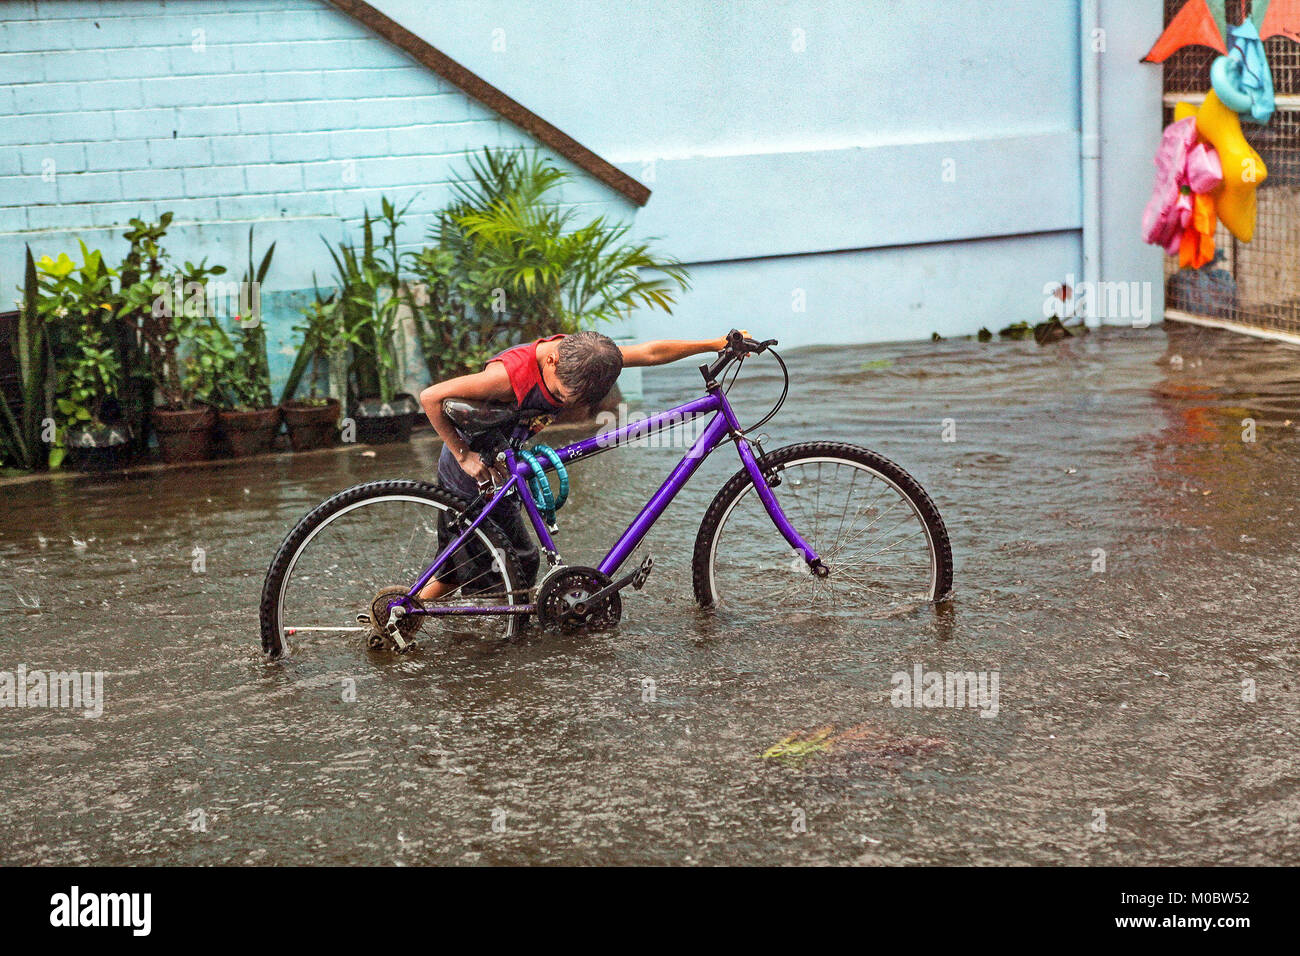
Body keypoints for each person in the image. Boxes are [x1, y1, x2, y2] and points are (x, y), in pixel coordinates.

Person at [417, 330, 735, 600]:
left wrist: (713, 344)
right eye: (559, 395)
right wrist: (463, 456)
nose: (562, 403)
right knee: (486, 565)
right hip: (471, 467)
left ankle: (424, 615)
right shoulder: (508, 375)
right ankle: (416, 618)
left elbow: (650, 352)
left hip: (504, 460)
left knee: (508, 561)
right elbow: (431, 397)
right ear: (552, 360)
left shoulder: (591, 357)